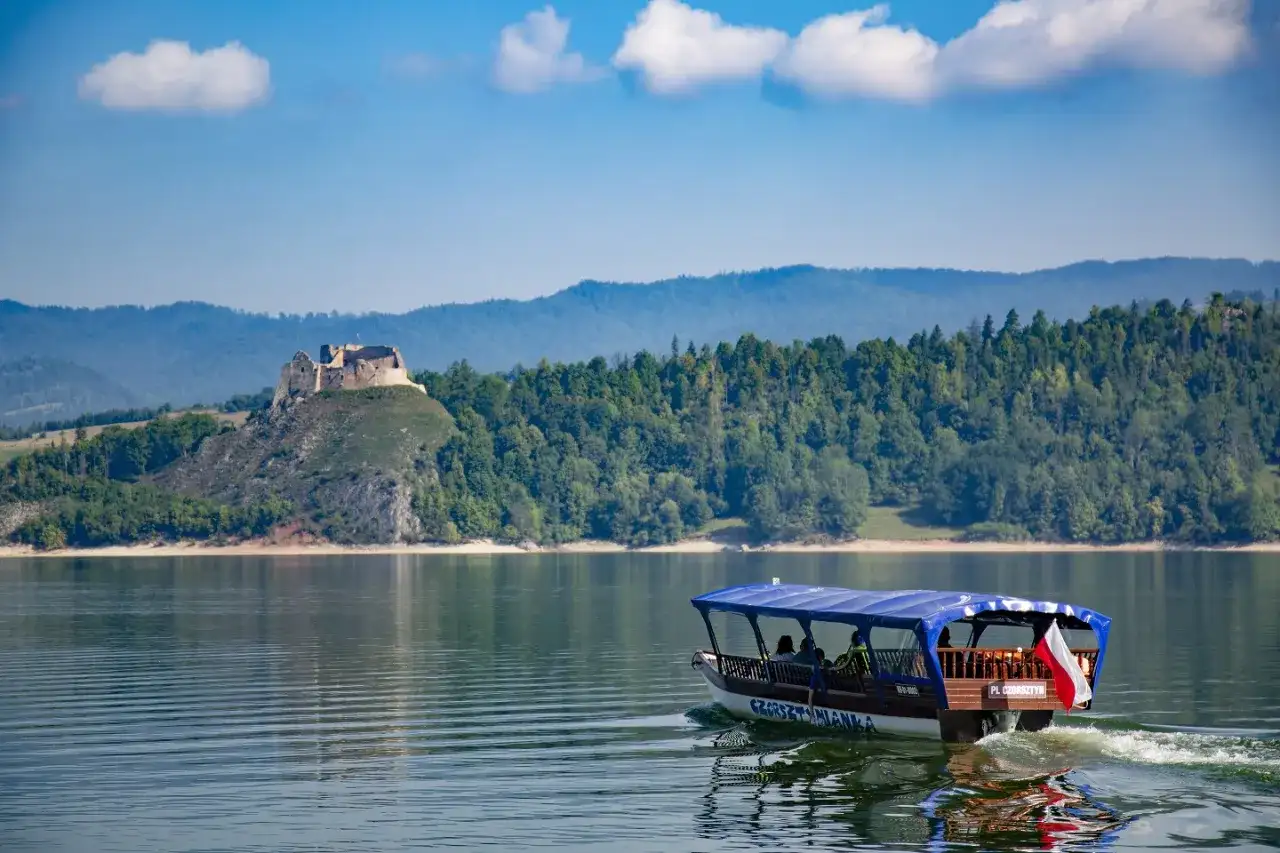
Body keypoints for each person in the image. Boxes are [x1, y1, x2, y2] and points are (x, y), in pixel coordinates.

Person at [807, 647, 829, 714]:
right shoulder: (823, 666)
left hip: (814, 682)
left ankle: (811, 713)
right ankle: (812, 713)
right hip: (821, 683)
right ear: (821, 657)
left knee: (810, 697)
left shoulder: (813, 666)